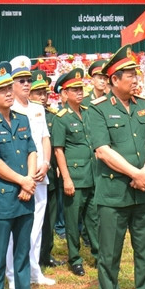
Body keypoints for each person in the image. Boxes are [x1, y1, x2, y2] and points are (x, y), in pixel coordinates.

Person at [85, 45, 145, 289]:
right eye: (129, 75)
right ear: (113, 80)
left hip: (143, 193)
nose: (135, 80)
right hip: (113, 196)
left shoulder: (143, 106)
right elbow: (102, 151)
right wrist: (135, 173)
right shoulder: (97, 111)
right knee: (109, 255)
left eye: (136, 74)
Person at [0, 62, 51, 289]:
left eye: (9, 88)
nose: (9, 93)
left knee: (23, 249)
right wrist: (23, 181)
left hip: (26, 193)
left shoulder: (22, 119)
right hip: (3, 196)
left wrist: (30, 181)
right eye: (1, 90)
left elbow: (32, 149)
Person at [5, 57, 54, 287]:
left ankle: (34, 270)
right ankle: (13, 274)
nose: (27, 84)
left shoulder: (37, 109)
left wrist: (45, 163)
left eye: (28, 80)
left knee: (37, 225)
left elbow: (45, 137)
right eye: (21, 80)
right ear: (12, 84)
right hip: (22, 176)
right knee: (17, 229)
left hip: (40, 175)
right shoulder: (9, 109)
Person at [52, 68, 98, 277]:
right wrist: (67, 178)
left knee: (93, 217)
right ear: (65, 93)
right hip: (75, 177)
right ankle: (75, 258)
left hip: (92, 174)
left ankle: (98, 254)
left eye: (81, 89)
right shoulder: (61, 118)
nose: (79, 93)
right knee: (72, 220)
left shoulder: (88, 113)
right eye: (74, 89)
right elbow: (58, 150)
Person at [31, 70, 64, 269]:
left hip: (50, 174)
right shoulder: (23, 114)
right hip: (30, 175)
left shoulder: (52, 116)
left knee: (49, 218)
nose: (43, 96)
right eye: (38, 93)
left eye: (44, 92)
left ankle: (46, 253)